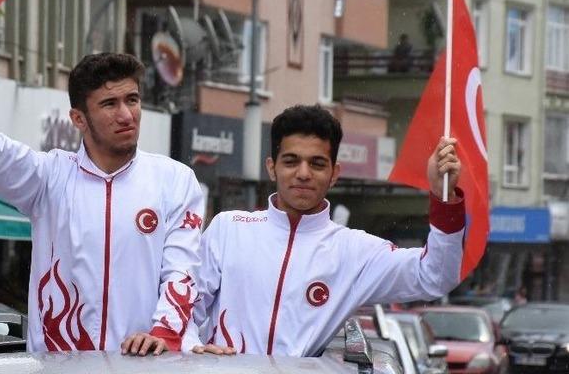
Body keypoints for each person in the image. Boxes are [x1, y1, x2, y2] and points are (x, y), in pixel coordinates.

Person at [0, 15, 207, 355]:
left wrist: (163, 333)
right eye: (110, 104)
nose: (126, 115)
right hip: (58, 364)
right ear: (78, 119)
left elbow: (182, 272)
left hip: (141, 366)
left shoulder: (174, 180)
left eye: (132, 100)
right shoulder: (49, 177)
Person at [192, 105, 466, 356]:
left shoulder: (355, 251)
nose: (303, 173)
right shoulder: (228, 229)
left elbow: (434, 276)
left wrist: (444, 197)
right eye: (291, 161)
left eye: (317, 164)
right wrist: (194, 344)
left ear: (334, 173)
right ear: (271, 168)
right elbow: (186, 308)